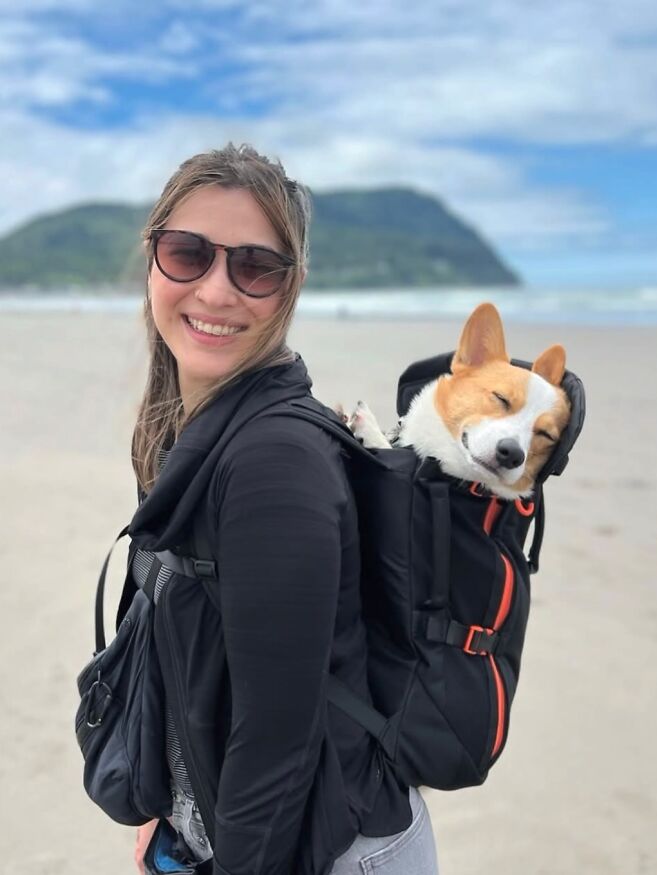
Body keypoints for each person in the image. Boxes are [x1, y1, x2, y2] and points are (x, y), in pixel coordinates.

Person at [125, 143, 440, 875]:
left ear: (289, 289)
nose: (215, 290)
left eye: (254, 266)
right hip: (225, 830)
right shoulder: (183, 429)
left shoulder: (274, 464)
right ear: (153, 260)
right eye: (187, 253)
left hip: (328, 852)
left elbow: (278, 741)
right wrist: (166, 810)